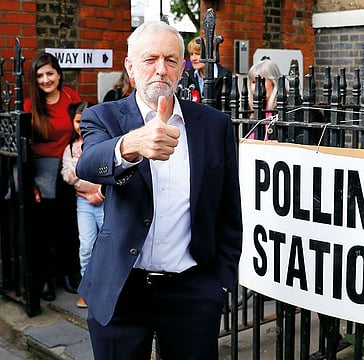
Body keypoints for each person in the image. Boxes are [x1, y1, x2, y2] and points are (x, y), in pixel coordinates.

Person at [76, 20, 242, 359]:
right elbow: (89, 163)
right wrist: (133, 144)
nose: (161, 69)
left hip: (191, 291)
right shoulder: (102, 116)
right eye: (150, 59)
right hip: (121, 288)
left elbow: (229, 209)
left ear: (182, 67)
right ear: (131, 67)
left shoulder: (214, 125)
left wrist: (219, 283)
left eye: (170, 60)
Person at [24, 52, 81, 301]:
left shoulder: (71, 97)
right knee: (42, 231)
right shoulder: (29, 105)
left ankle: (68, 274)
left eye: (50, 73)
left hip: (68, 168)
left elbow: (81, 131)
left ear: (58, 73)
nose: (46, 79)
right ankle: (45, 279)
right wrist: (31, 183)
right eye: (40, 76)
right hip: (42, 174)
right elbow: (25, 148)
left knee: (68, 226)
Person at [61, 101, 105, 308]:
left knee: (107, 245)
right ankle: (88, 288)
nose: (82, 125)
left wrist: (98, 191)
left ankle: (108, 289)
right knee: (87, 246)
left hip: (104, 200)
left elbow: (106, 172)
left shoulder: (102, 144)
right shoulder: (70, 148)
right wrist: (82, 172)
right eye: (79, 121)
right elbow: (67, 176)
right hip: (84, 203)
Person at [183, 36, 232, 110]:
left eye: (198, 54)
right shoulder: (188, 75)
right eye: (191, 54)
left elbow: (229, 106)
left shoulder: (224, 75)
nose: (193, 58)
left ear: (209, 54)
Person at [247, 57, 281, 140]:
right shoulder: (253, 112)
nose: (256, 87)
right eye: (253, 82)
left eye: (261, 81)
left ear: (273, 82)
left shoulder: (283, 110)